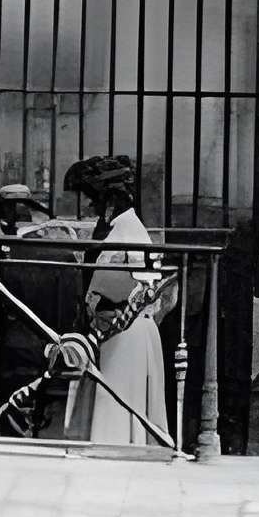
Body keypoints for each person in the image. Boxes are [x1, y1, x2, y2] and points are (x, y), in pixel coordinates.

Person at [60, 154, 168, 447]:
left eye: (93, 199)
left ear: (110, 199)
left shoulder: (129, 230)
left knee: (117, 403)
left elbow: (140, 286)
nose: (89, 206)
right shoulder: (117, 228)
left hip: (125, 329)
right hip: (114, 330)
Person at [0, 182, 84, 439]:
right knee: (46, 416)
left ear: (4, 221)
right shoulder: (63, 254)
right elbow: (72, 306)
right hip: (53, 346)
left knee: (10, 417)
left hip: (13, 350)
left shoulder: (6, 256)